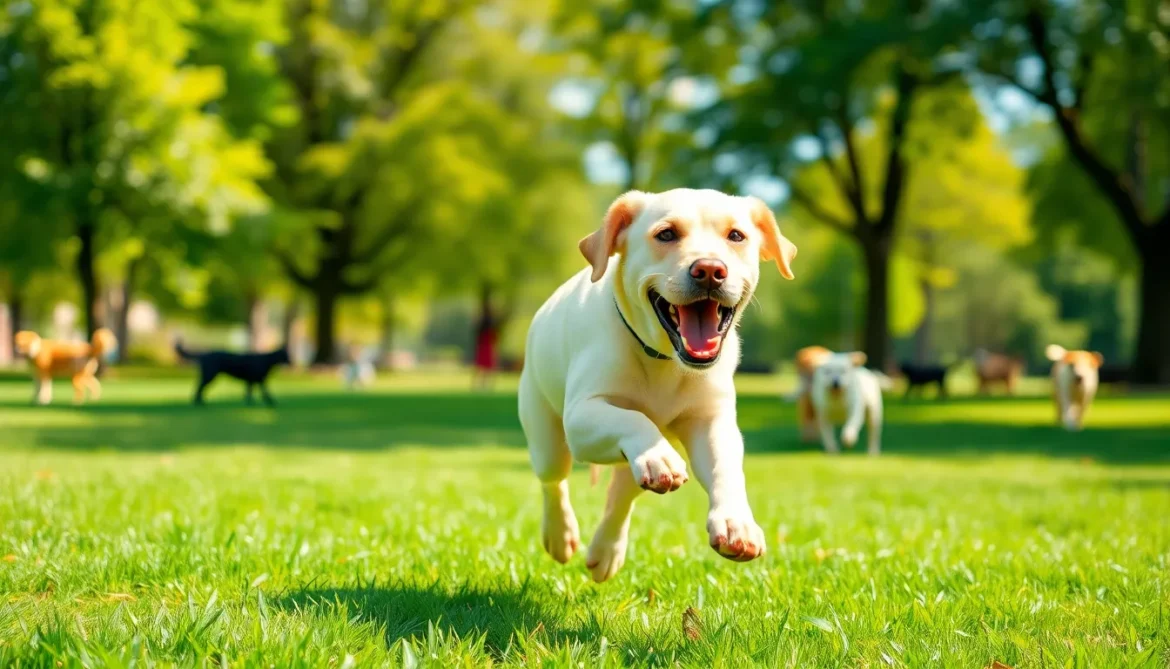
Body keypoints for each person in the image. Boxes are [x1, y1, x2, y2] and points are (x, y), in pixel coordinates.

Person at [473, 289, 499, 390]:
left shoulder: (483, 320)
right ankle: (485, 385)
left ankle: (480, 385)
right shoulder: (489, 320)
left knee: (482, 366)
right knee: (487, 367)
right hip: (486, 343)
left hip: (484, 344)